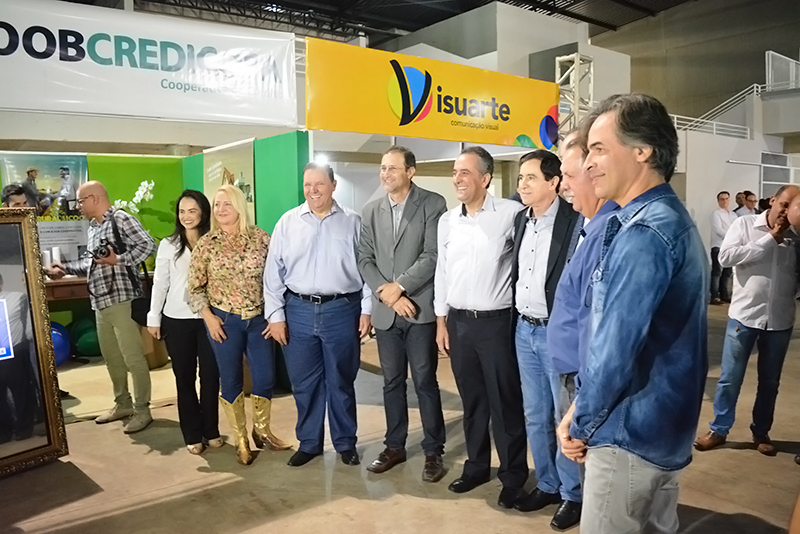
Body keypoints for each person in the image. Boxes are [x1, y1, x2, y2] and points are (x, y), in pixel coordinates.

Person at [558, 94, 708, 533]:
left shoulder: (644, 232)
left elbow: (614, 352)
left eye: (599, 149)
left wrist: (580, 423)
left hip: (626, 434)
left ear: (642, 150)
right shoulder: (666, 219)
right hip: (659, 432)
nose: (588, 164)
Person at [434, 146, 529, 509]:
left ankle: (513, 476)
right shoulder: (448, 220)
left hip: (497, 324)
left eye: (465, 172)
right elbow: (442, 272)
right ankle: (476, 467)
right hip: (458, 323)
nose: (457, 179)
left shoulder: (511, 214)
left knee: (505, 403)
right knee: (472, 402)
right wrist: (441, 321)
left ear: (485, 178)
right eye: (454, 172)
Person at [264, 162, 371, 468]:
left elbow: (367, 268)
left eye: (319, 184)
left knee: (341, 380)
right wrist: (275, 316)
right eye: (308, 185)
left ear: (333, 185)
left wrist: (366, 309)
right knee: (304, 383)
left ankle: (345, 443)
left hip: (342, 309)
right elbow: (273, 273)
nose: (313, 190)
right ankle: (309, 443)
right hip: (297, 310)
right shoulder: (287, 223)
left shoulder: (353, 222)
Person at [544, 130, 620, 531]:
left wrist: (583, 396)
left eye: (570, 175)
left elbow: (605, 325)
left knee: (592, 464)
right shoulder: (586, 222)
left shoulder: (610, 231)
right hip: (569, 365)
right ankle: (575, 499)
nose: (563, 185)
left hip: (584, 374)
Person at [357, 146, 448, 482]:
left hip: (419, 310)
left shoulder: (433, 204)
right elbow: (364, 259)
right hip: (388, 313)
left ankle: (433, 450)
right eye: (383, 168)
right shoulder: (371, 211)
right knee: (392, 383)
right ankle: (394, 446)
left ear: (410, 171)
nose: (386, 174)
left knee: (424, 381)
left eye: (393, 168)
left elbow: (432, 254)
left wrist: (401, 286)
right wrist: (390, 295)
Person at [694, 184, 800, 456]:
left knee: (770, 382)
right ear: (773, 200)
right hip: (744, 317)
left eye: (793, 208)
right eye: (783, 204)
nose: (786, 212)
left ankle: (761, 432)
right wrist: (769, 239)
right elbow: (726, 258)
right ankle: (719, 429)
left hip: (779, 321)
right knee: (730, 379)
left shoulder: (797, 237)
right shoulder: (744, 225)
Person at [188, 184, 290, 466]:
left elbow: (277, 278)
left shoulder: (261, 238)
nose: (220, 209)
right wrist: (209, 318)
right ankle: (241, 439)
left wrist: (275, 314)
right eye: (217, 204)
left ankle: (262, 431)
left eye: (227, 204)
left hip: (259, 321)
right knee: (231, 379)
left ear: (240, 207)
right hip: (224, 322)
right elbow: (194, 288)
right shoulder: (207, 244)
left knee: (265, 378)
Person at [43, 181, 156, 434]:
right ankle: (123, 404)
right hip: (100, 303)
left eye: (81, 201)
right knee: (112, 358)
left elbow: (148, 246)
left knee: (133, 358)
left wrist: (119, 259)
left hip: (123, 300)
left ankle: (142, 410)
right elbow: (92, 263)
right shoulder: (94, 227)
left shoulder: (121, 219)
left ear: (94, 198)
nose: (78, 206)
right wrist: (65, 269)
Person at [510, 148, 582, 525]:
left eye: (531, 178)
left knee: (561, 414)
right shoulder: (521, 220)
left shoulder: (574, 220)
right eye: (521, 177)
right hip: (524, 329)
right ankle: (548, 483)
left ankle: (573, 494)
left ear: (554, 182)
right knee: (535, 415)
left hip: (557, 332)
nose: (522, 184)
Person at [147, 190, 222, 455]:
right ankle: (192, 433)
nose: (186, 216)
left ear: (203, 212)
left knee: (211, 377)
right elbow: (160, 283)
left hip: (210, 318)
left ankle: (211, 430)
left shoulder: (215, 240)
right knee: (184, 377)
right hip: (177, 319)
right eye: (182, 211)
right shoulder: (169, 244)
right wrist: (154, 317)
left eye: (192, 211)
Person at [709, 191, 737, 305]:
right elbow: (718, 230)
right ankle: (714, 296)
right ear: (718, 201)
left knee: (727, 272)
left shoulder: (733, 215)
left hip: (730, 247)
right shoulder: (715, 213)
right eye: (722, 199)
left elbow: (736, 228)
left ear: (729, 200)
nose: (724, 201)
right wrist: (732, 237)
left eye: (726, 198)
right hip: (719, 246)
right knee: (717, 272)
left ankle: (724, 295)